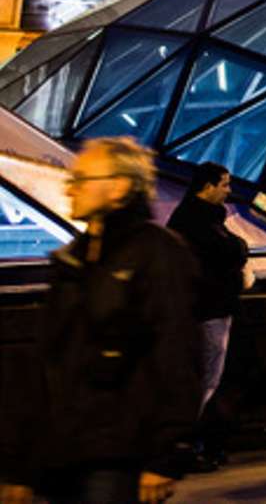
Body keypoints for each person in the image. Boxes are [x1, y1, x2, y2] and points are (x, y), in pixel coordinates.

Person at [1, 137, 199, 504]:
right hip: (64, 449)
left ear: (120, 187)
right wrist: (21, 465)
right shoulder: (72, 259)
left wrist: (166, 453)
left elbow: (175, 352)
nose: (70, 187)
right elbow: (47, 362)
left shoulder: (157, 252)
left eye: (83, 179)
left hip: (118, 453)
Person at [166, 161, 251, 472]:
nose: (229, 191)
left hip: (208, 308)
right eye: (225, 184)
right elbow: (231, 250)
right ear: (208, 186)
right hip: (209, 310)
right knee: (207, 380)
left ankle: (198, 443)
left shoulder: (193, 217)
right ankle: (190, 444)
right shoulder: (196, 221)